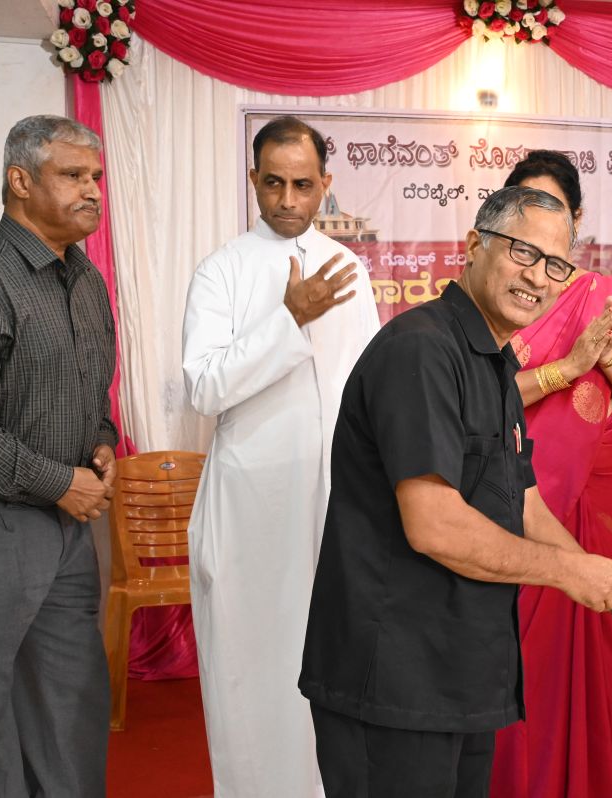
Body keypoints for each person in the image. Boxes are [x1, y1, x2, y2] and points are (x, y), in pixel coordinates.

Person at [299, 186, 612, 798]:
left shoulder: (496, 366)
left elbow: (524, 503)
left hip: (464, 674)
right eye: (522, 252)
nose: (537, 277)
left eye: (556, 265)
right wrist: (568, 573)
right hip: (395, 679)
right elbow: (434, 524)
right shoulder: (421, 350)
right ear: (473, 246)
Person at [181, 115, 380, 797]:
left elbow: (365, 390)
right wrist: (288, 318)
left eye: (302, 184)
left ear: (326, 183)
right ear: (252, 180)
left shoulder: (349, 269)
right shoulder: (222, 270)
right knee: (253, 675)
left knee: (335, 671)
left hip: (338, 504)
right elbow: (204, 388)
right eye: (273, 183)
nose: (288, 200)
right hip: (252, 511)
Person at [490, 152, 612, 798]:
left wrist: (605, 352)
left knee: (593, 652)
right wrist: (567, 367)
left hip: (596, 510)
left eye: (554, 211)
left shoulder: (609, 296)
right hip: (513, 501)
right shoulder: (495, 300)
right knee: (518, 664)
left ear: (577, 220)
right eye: (525, 211)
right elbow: (479, 398)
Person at [0, 115, 115, 796]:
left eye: (96, 177)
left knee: (71, 703)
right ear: (20, 182)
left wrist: (102, 440)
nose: (92, 190)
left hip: (69, 531)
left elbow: (91, 393)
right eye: (73, 175)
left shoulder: (85, 279)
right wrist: (59, 481)